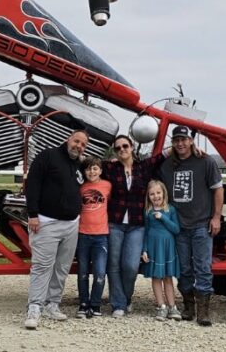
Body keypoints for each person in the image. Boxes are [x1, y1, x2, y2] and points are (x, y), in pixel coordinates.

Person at [23, 129, 89, 330]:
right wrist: (33, 214)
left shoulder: (79, 164)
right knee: (42, 266)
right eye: (77, 141)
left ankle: (53, 304)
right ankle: (34, 307)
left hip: (71, 224)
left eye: (83, 144)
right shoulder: (48, 156)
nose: (79, 146)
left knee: (62, 267)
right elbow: (32, 184)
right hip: (46, 222)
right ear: (68, 138)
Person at [159, 126, 223, 326]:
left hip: (201, 224)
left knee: (203, 267)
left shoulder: (206, 162)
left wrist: (216, 217)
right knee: (184, 268)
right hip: (178, 226)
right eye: (176, 140)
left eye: (184, 139)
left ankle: (203, 311)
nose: (180, 143)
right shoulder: (167, 165)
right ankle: (188, 306)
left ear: (191, 140)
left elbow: (218, 189)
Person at [102, 135, 166, 318]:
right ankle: (118, 305)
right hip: (114, 222)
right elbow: (88, 164)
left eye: (125, 146)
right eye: (118, 148)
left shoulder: (143, 167)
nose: (122, 150)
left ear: (132, 147)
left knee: (130, 265)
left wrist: (193, 148)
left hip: (137, 224)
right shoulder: (110, 168)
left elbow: (162, 156)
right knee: (113, 265)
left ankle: (126, 298)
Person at [140, 180, 182, 321]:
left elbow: (176, 229)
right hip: (153, 247)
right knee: (156, 277)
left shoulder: (170, 210)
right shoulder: (147, 211)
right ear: (148, 196)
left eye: (158, 193)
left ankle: (172, 306)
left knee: (167, 277)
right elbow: (145, 232)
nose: (155, 196)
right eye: (152, 194)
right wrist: (144, 249)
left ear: (164, 193)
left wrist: (163, 217)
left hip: (167, 247)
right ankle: (161, 306)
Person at [75, 156, 111, 318]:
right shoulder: (80, 187)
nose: (92, 171)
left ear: (101, 170)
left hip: (101, 235)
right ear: (85, 171)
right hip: (83, 234)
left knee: (100, 272)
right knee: (82, 272)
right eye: (89, 168)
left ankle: (95, 304)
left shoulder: (107, 186)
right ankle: (83, 303)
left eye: (95, 168)